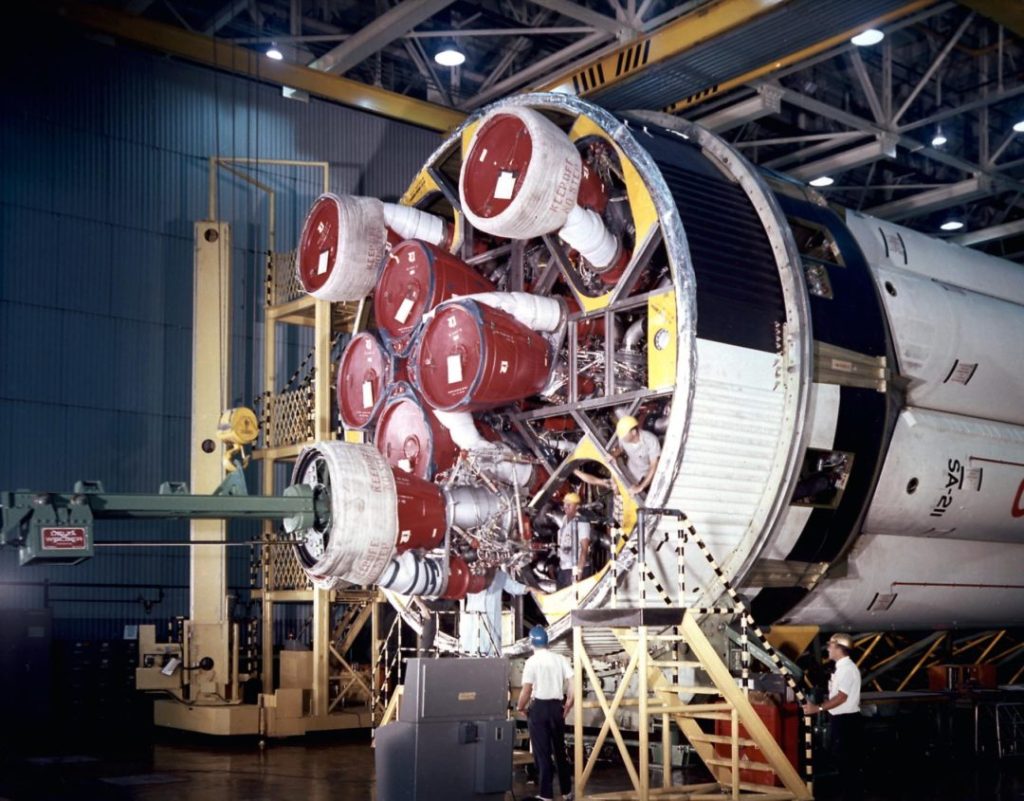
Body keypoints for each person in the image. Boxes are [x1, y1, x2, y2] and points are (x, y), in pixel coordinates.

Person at [802, 633, 863, 801]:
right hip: (842, 720)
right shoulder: (842, 668)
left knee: (846, 765)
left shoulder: (847, 669)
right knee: (843, 764)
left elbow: (841, 697)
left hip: (846, 721)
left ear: (839, 649)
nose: (828, 648)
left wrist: (818, 708)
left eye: (830, 646)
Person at [517, 625, 574, 801]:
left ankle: (546, 794)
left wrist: (520, 707)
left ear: (531, 643)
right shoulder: (560, 659)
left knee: (542, 754)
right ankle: (567, 792)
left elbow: (526, 691)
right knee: (559, 751)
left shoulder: (532, 662)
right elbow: (572, 682)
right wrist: (569, 702)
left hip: (539, 709)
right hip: (557, 708)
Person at [461, 568, 528, 656]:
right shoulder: (471, 572)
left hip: (492, 620)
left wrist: (531, 589)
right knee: (472, 646)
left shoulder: (500, 576)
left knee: (491, 648)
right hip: (474, 619)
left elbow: (514, 587)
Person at [610, 416, 660, 495]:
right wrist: (613, 455)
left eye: (623, 435)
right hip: (630, 471)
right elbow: (621, 449)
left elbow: (653, 466)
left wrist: (641, 487)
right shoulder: (623, 438)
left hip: (645, 477)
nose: (621, 437)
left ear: (633, 432)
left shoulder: (651, 441)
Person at [556, 493, 591, 589]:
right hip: (564, 568)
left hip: (575, 568)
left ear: (577, 507)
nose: (565, 507)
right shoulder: (564, 519)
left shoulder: (582, 522)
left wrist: (579, 572)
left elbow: (584, 549)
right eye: (565, 504)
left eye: (569, 505)